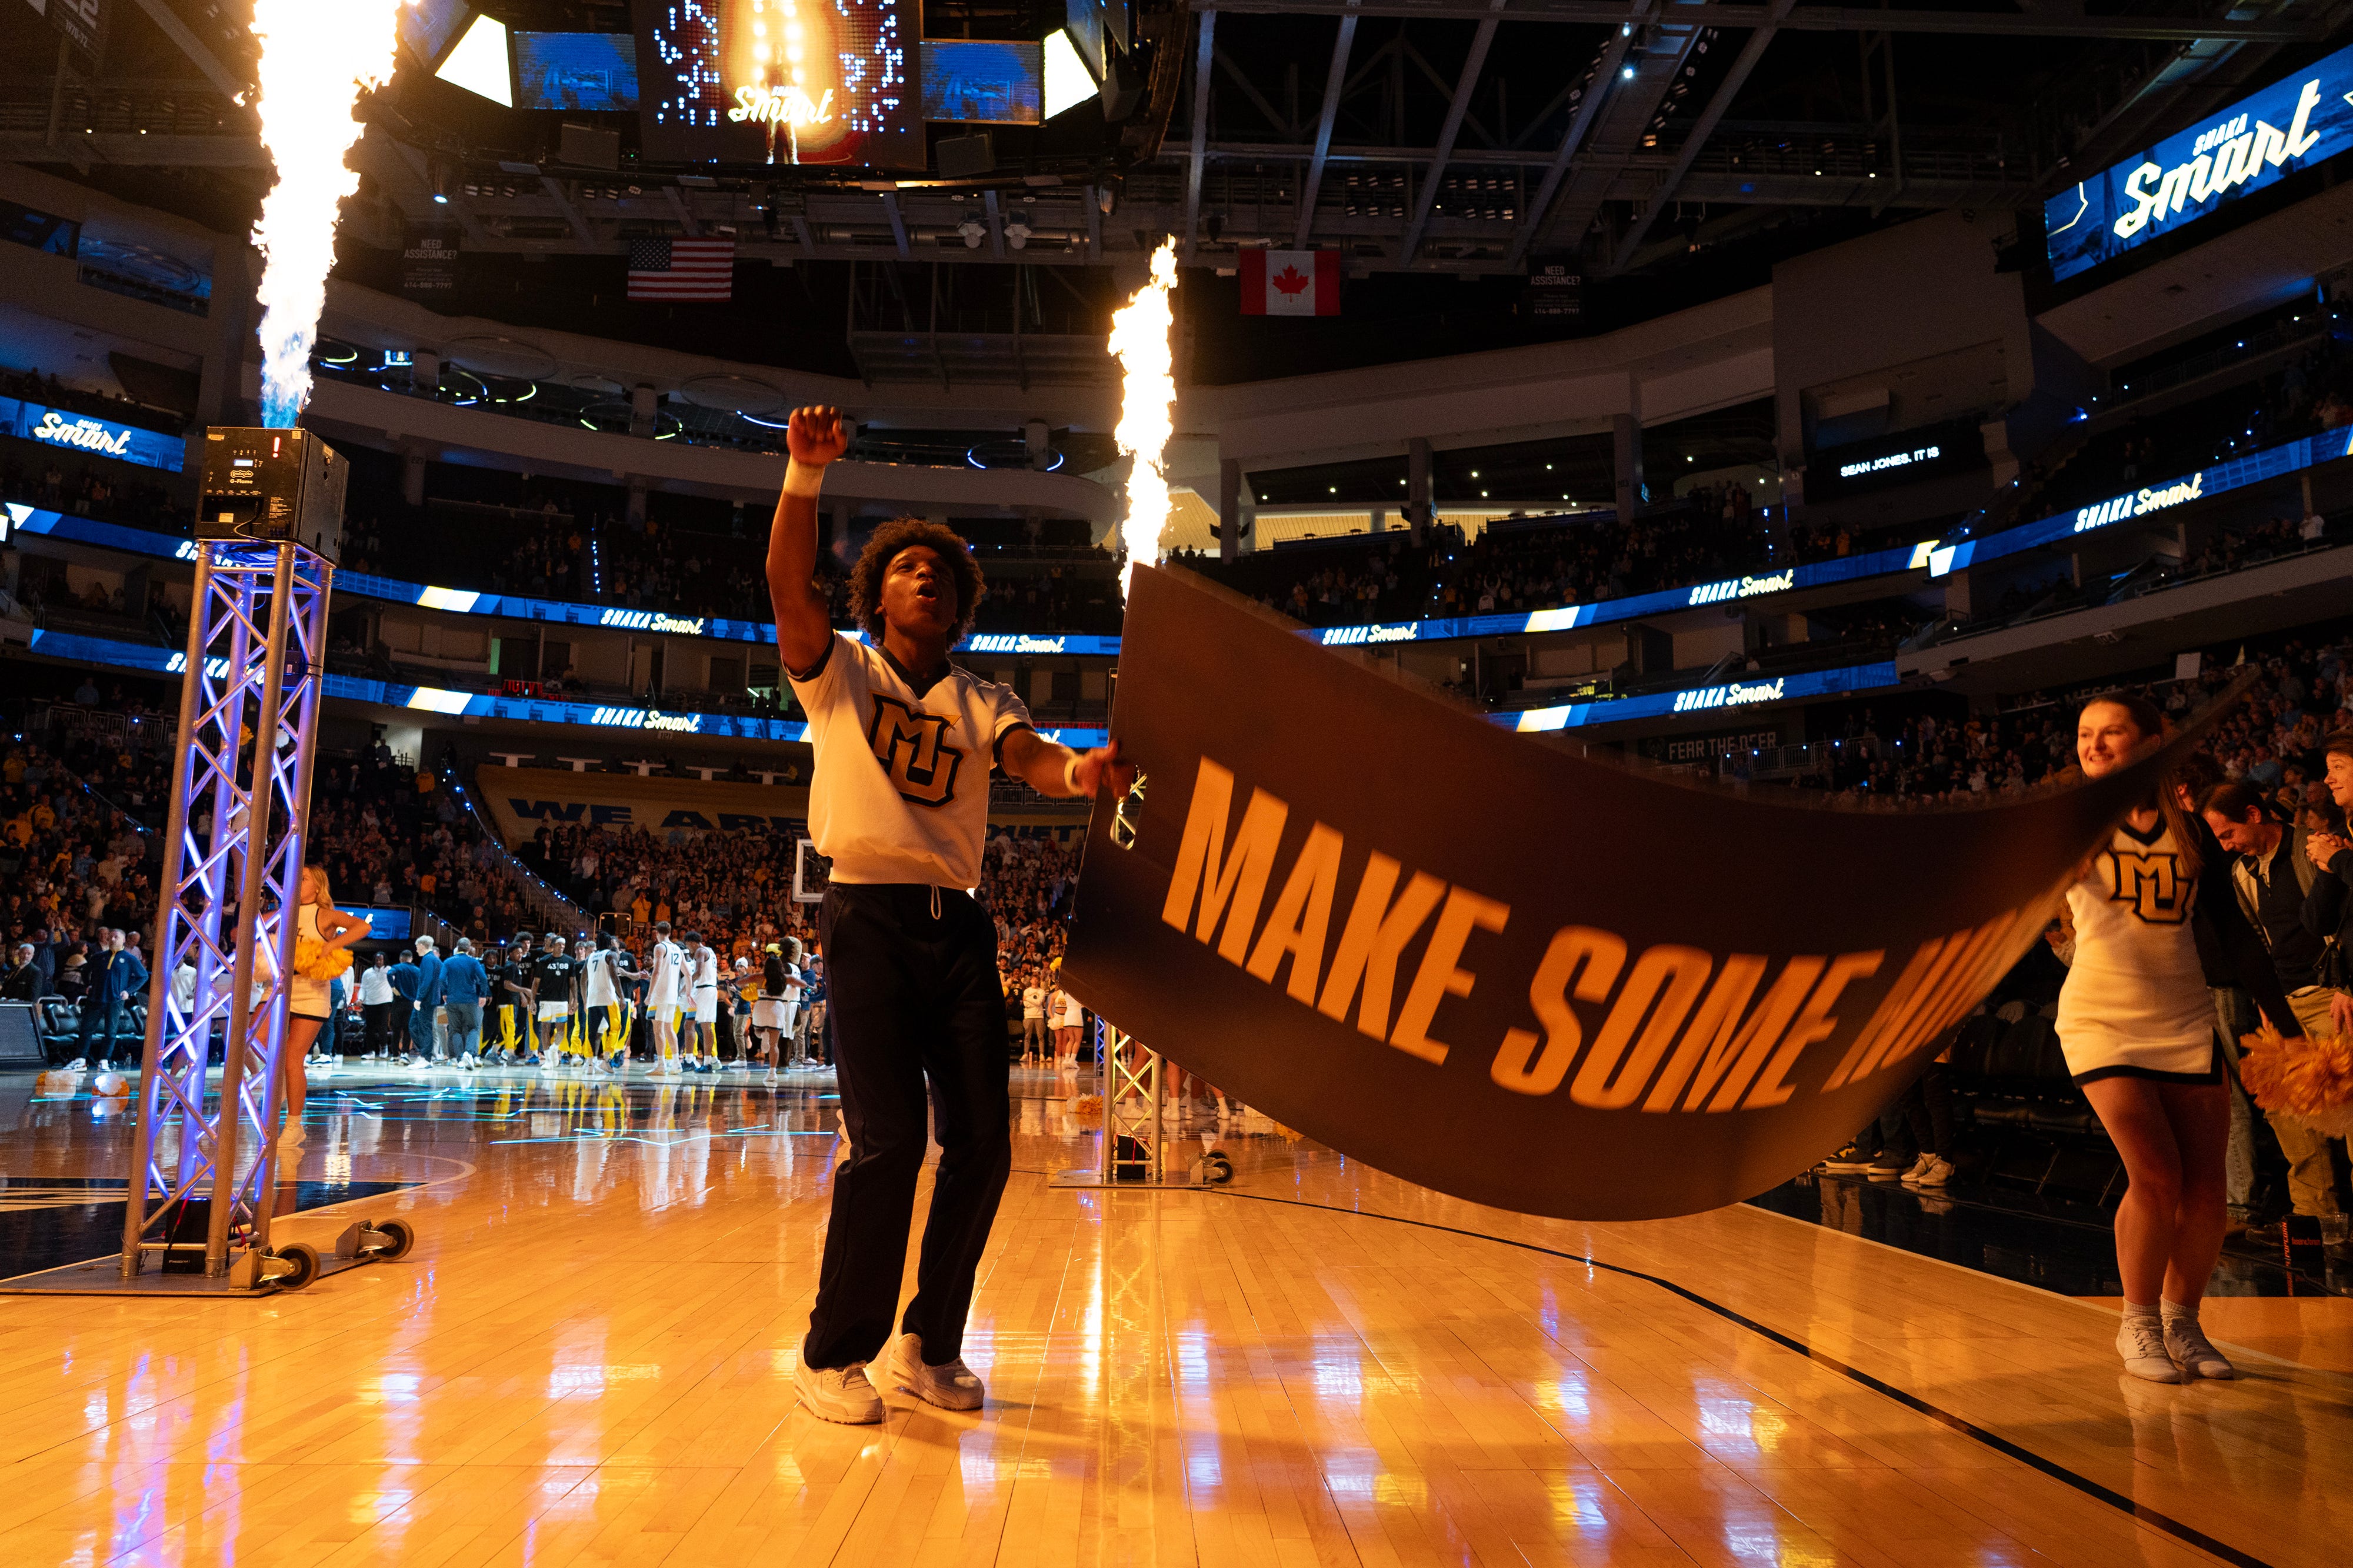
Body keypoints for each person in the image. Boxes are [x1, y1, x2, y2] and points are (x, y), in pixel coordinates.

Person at [767, 403, 1131, 1423]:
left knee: (984, 1145)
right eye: (904, 567)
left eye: (941, 571)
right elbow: (786, 591)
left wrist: (1083, 773)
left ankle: (927, 1344)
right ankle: (832, 1350)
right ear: (875, 595)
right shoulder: (839, 670)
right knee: (888, 1141)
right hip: (868, 919)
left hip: (958, 929)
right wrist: (804, 477)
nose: (925, 575)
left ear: (960, 603)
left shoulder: (982, 697)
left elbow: (1035, 763)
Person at [2055, 695, 2306, 1383]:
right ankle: (2135, 1324)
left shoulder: (2192, 829)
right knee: (2156, 1173)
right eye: (2085, 735)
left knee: (2206, 1192)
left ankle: (2183, 1323)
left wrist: (2290, 1033)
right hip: (2099, 1018)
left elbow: (2234, 938)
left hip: (2184, 1019)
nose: (2096, 745)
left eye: (2112, 732)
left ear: (2153, 741)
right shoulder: (2066, 827)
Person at [2201, 779, 2349, 1245]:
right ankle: (2317, 1220)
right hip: (2286, 1004)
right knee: (2288, 1114)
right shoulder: (2244, 872)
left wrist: (2347, 986)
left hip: (2330, 994)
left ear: (2253, 813)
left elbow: (2344, 922)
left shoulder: (2311, 849)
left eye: (2227, 834)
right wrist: (2271, 1004)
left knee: (2345, 1111)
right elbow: (2258, 944)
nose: (2225, 846)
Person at [281, 868, 368, 1145]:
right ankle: (279, 1094)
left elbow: (362, 926)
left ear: (318, 887)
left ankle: (294, 1125)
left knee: (293, 1059)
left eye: (304, 878)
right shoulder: (285, 910)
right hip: (280, 989)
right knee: (254, 1042)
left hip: (312, 991)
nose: (298, 880)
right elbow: (242, 929)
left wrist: (332, 947)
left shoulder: (324, 914)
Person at [534, 930, 579, 1072]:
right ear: (553, 946)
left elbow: (573, 983)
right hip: (546, 1000)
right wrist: (532, 1001)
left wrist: (575, 1000)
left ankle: (554, 1048)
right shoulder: (544, 961)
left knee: (561, 1030)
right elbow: (536, 982)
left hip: (562, 1001)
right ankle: (548, 1060)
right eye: (559, 944)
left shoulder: (570, 961)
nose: (562, 947)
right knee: (545, 1029)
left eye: (564, 945)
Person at [441, 937, 489, 1067]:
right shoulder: (473, 963)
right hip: (470, 1000)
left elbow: (441, 979)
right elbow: (483, 979)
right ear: (469, 948)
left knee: (455, 1029)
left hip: (452, 1000)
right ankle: (468, 1053)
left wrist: (444, 992)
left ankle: (460, 1059)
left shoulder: (448, 962)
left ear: (458, 947)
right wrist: (483, 995)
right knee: (473, 1027)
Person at [645, 919, 684, 1077]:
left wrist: (649, 994)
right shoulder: (677, 948)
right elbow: (687, 972)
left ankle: (661, 1065)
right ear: (670, 932)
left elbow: (657, 972)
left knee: (658, 1030)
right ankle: (676, 1064)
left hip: (661, 994)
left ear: (657, 933)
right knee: (669, 1028)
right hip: (672, 994)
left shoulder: (660, 947)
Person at [682, 930, 719, 1073]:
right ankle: (690, 1059)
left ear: (692, 943)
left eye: (688, 945)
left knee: (705, 1026)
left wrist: (687, 986)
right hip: (702, 991)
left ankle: (708, 1063)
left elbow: (698, 972)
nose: (689, 949)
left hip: (705, 991)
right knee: (689, 1024)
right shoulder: (710, 951)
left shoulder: (700, 951)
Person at [407, 935, 445, 1066]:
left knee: (424, 1028)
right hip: (431, 999)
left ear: (422, 946)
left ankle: (426, 1058)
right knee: (415, 1026)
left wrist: (419, 998)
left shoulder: (428, 960)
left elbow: (426, 981)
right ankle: (425, 1054)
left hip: (426, 1000)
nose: (416, 949)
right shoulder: (435, 960)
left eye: (417, 946)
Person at [358, 952, 398, 1059]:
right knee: (370, 1028)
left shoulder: (391, 971)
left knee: (383, 1026)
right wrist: (360, 999)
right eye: (377, 960)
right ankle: (370, 1051)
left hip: (385, 1002)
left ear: (385, 960)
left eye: (381, 960)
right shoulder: (368, 973)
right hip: (370, 1003)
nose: (379, 962)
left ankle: (384, 1048)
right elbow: (363, 988)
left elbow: (395, 985)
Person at [1019, 970, 1048, 1066]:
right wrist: (1030, 1002)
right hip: (1028, 1015)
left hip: (1039, 1015)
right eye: (1033, 979)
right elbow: (1025, 1004)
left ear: (1039, 981)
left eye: (1037, 979)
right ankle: (1025, 1054)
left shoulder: (1042, 991)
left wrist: (1028, 999)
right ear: (1031, 980)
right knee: (1027, 1036)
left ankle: (1042, 1054)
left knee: (1041, 1036)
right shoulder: (1027, 991)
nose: (1035, 980)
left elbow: (1039, 1003)